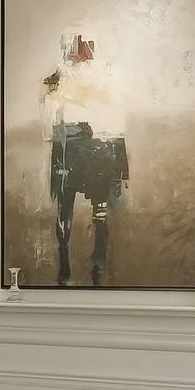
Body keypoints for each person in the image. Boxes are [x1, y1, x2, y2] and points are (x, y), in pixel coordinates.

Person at [41, 33, 130, 286]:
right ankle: (68, 270)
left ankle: (98, 268)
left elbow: (112, 117)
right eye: (77, 45)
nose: (80, 50)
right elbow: (50, 124)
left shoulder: (104, 79)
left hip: (99, 149)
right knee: (66, 212)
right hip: (73, 149)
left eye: (84, 44)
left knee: (99, 213)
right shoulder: (58, 81)